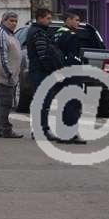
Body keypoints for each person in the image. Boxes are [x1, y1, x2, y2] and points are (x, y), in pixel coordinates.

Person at [26, 8, 67, 142]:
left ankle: (42, 129)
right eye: (48, 18)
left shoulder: (39, 32)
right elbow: (43, 55)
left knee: (44, 102)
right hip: (41, 72)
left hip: (40, 71)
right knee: (43, 102)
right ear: (40, 18)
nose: (50, 21)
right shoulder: (38, 33)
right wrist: (52, 70)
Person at [52, 10, 86, 145]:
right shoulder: (71, 35)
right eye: (76, 20)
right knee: (73, 103)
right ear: (68, 20)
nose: (78, 23)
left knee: (64, 103)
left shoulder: (57, 34)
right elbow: (73, 57)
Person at [0, 11, 23, 139]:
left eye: (15, 21)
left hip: (6, 75)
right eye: (11, 21)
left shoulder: (9, 34)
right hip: (4, 76)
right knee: (5, 103)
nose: (14, 23)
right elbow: (1, 57)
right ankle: (5, 129)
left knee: (0, 103)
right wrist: (8, 73)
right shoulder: (1, 34)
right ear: (3, 21)